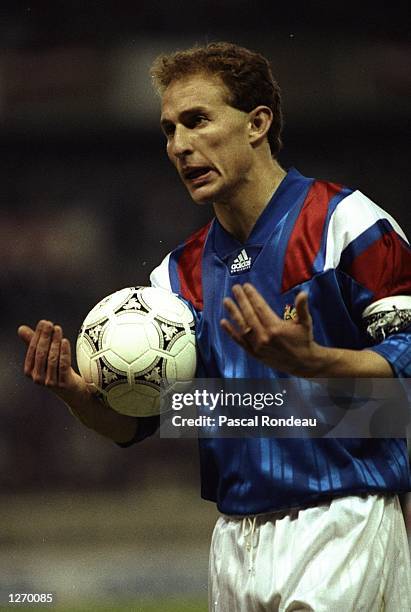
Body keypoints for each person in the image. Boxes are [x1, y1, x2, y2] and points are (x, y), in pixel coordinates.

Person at [18, 42, 411, 611]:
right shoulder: (176, 278)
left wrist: (316, 363)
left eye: (197, 121)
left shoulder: (345, 223)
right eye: (169, 130)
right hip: (233, 541)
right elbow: (148, 422)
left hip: (343, 521)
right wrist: (78, 396)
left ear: (257, 123)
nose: (179, 146)